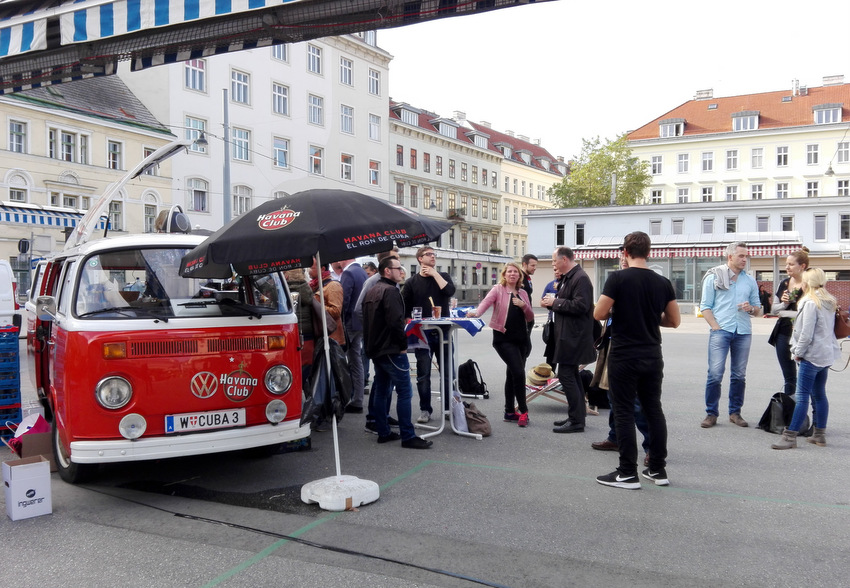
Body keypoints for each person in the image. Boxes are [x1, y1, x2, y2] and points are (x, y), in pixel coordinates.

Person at [593, 232, 680, 489]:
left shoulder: (617, 278)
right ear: (648, 252)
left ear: (625, 252)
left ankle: (627, 472)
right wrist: (650, 317)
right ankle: (657, 470)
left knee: (623, 411)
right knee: (654, 409)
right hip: (652, 354)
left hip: (624, 355)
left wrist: (620, 309)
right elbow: (674, 321)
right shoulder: (663, 282)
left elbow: (599, 313)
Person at [362, 257, 432, 449]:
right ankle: (408, 436)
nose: (402, 272)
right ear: (387, 271)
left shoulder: (372, 290)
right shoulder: (390, 291)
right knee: (404, 391)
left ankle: (383, 432)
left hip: (376, 349)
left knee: (382, 389)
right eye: (398, 268)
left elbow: (367, 321)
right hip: (390, 348)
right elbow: (395, 322)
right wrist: (402, 345)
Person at [771, 268, 840, 450]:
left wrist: (797, 352)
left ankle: (790, 436)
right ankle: (819, 435)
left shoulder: (810, 302)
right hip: (825, 355)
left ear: (808, 282)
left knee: (802, 397)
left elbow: (806, 334)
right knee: (819, 395)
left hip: (811, 356)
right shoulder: (828, 301)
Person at [699, 242, 761, 429]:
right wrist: (716, 327)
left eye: (746, 256)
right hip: (721, 331)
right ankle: (711, 413)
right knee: (715, 374)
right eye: (741, 256)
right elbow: (705, 306)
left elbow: (758, 309)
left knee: (739, 375)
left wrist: (751, 309)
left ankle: (735, 412)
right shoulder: (714, 277)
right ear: (730, 257)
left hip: (743, 331)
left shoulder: (749, 280)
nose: (744, 259)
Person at [466, 262, 535, 427]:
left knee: (512, 374)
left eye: (515, 272)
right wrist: (475, 313)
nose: (512, 274)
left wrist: (523, 305)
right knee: (518, 373)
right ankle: (524, 411)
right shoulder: (498, 289)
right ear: (504, 275)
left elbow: (531, 317)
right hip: (503, 338)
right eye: (509, 271)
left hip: (522, 340)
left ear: (519, 276)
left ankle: (509, 412)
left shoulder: (523, 293)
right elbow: (485, 304)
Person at [540, 247, 596, 434]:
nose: (553, 264)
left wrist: (554, 303)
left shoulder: (580, 278)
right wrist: (554, 301)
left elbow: (581, 305)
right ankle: (577, 416)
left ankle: (576, 420)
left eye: (554, 260)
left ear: (564, 259)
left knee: (565, 376)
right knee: (571, 375)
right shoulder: (570, 277)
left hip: (574, 338)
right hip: (568, 337)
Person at [400, 246, 456, 424]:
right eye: (429, 255)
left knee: (447, 372)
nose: (433, 257)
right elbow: (404, 308)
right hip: (422, 334)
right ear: (419, 259)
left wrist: (434, 274)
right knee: (423, 374)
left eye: (434, 254)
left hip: (444, 332)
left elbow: (449, 292)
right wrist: (409, 321)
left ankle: (448, 408)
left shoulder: (443, 276)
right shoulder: (411, 282)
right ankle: (425, 410)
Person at [769, 249, 809, 397]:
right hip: (783, 333)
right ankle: (790, 412)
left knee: (807, 376)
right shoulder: (784, 283)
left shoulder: (810, 284)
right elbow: (774, 309)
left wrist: (784, 312)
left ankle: (804, 413)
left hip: (804, 335)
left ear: (802, 266)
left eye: (791, 264)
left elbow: (810, 314)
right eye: (786, 264)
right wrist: (784, 304)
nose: (787, 267)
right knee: (789, 377)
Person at [338, 258, 368, 414]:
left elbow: (343, 301)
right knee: (356, 360)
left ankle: (342, 397)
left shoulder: (348, 273)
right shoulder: (362, 272)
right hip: (359, 324)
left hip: (349, 323)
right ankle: (357, 399)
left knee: (340, 359)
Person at [541, 268, 561, 367]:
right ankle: (550, 375)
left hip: (565, 325)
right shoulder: (550, 285)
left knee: (564, 356)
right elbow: (542, 302)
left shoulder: (570, 284)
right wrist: (549, 303)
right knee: (551, 355)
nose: (557, 272)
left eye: (559, 270)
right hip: (553, 322)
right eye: (555, 270)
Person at [521, 253, 538, 337]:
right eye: (532, 265)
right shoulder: (519, 278)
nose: (535, 268)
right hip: (522, 318)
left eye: (535, 266)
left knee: (527, 347)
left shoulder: (527, 277)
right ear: (524, 264)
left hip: (528, 316)